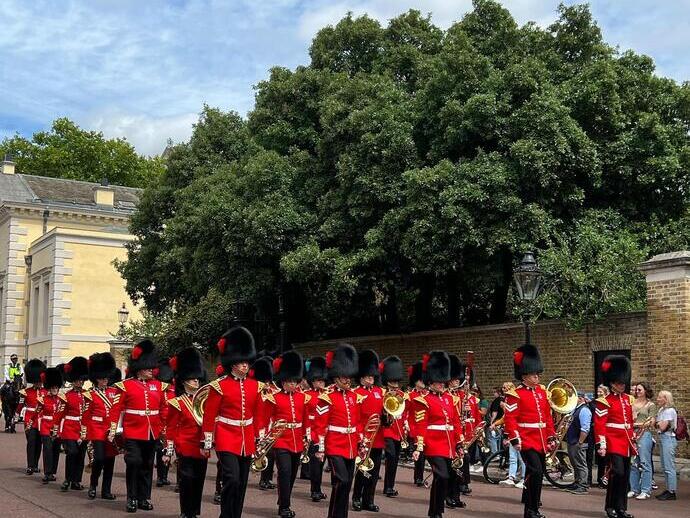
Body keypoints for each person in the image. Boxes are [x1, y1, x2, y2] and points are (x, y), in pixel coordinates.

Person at [201, 326, 263, 518]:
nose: (245, 366)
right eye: (241, 362)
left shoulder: (256, 386)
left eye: (247, 362)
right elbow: (209, 415)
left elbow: (258, 415)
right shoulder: (219, 386)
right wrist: (207, 441)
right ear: (232, 363)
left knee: (242, 482)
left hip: (247, 440)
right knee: (232, 479)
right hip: (226, 436)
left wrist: (259, 436)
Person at [108, 338, 169, 513]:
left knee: (147, 465)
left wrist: (163, 430)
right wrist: (113, 429)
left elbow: (163, 409)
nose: (152, 370)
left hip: (152, 432)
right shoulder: (126, 386)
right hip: (133, 431)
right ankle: (131, 497)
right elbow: (116, 409)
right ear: (140, 368)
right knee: (134, 462)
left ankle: (144, 497)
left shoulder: (158, 386)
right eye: (149, 368)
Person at [503, 343, 558, 518]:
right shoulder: (515, 394)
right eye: (534, 375)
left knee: (537, 473)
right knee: (535, 471)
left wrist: (551, 436)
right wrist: (514, 438)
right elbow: (511, 419)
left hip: (541, 439)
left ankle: (532, 504)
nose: (537, 377)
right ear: (524, 375)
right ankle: (530, 510)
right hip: (526, 439)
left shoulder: (542, 392)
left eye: (538, 374)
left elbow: (547, 417)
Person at [313, 343, 364, 518]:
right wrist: (320, 447)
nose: (348, 380)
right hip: (334, 445)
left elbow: (358, 423)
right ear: (336, 377)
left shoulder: (355, 397)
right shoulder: (326, 397)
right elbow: (320, 425)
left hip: (350, 445)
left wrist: (361, 442)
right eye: (344, 377)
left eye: (349, 377)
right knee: (341, 480)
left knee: (347, 483)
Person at [259, 350, 310, 518]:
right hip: (281, 441)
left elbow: (305, 420)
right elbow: (265, 420)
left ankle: (284, 500)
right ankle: (284, 506)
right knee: (285, 472)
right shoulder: (274, 398)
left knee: (293, 474)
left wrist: (307, 436)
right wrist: (263, 440)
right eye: (290, 381)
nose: (293, 385)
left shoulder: (303, 398)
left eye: (295, 381)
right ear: (282, 381)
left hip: (297, 440)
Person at [412, 351, 464, 518]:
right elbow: (421, 425)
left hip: (449, 445)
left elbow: (455, 423)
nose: (441, 383)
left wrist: (459, 443)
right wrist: (419, 446)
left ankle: (436, 510)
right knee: (441, 475)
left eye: (443, 380)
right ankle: (435, 512)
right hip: (433, 444)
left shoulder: (451, 399)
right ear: (430, 381)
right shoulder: (423, 400)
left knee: (445, 478)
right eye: (438, 380)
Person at [165, 347, 208, 518]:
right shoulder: (177, 402)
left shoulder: (204, 400)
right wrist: (168, 451)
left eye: (197, 379)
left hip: (201, 446)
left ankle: (194, 511)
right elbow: (171, 427)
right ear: (183, 381)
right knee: (187, 480)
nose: (196, 381)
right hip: (184, 446)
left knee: (199, 481)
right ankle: (185, 511)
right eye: (192, 379)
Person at [593, 355, 635, 518]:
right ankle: (610, 506)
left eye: (623, 382)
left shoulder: (628, 400)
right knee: (616, 472)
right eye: (619, 382)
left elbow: (629, 422)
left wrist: (633, 439)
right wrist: (601, 444)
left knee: (624, 475)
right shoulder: (605, 401)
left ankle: (621, 508)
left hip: (626, 442)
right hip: (612, 441)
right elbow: (599, 424)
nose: (622, 385)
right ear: (612, 383)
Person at [82, 352, 119, 500]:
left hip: (110, 430)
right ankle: (93, 485)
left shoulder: (114, 392)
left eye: (106, 378)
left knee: (110, 461)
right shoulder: (90, 395)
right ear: (96, 379)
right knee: (99, 459)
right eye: (102, 378)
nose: (105, 381)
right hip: (97, 429)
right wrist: (84, 432)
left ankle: (106, 490)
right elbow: (86, 415)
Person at [352, 350, 384, 512]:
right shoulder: (356, 393)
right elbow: (355, 418)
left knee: (375, 470)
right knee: (362, 470)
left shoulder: (380, 392)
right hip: (364, 437)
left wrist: (387, 418)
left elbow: (384, 413)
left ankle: (368, 500)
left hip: (377, 437)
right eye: (367, 376)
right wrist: (360, 438)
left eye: (372, 376)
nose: (371, 378)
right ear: (361, 376)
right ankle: (357, 497)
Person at [380, 355, 407, 499]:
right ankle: (387, 486)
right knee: (390, 456)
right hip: (386, 431)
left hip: (398, 431)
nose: (395, 384)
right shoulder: (382, 394)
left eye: (396, 381)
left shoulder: (402, 395)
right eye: (392, 381)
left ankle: (389, 486)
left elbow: (405, 412)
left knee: (395, 459)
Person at [252, 355, 278, 492]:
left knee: (270, 454)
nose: (267, 384)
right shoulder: (255, 392)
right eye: (265, 381)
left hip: (268, 426)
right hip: (256, 426)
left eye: (269, 381)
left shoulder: (271, 393)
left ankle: (266, 479)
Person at [445, 354, 468, 508]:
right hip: (448, 436)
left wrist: (466, 410)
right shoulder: (445, 395)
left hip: (460, 435)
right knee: (450, 468)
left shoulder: (462, 395)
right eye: (454, 380)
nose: (457, 382)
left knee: (460, 466)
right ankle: (448, 495)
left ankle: (456, 495)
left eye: (458, 379)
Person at [305, 356, 328, 502]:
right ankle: (315, 490)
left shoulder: (328, 395)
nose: (320, 383)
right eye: (318, 380)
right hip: (313, 431)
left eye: (322, 380)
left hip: (326, 432)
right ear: (312, 381)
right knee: (315, 462)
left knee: (322, 463)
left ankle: (318, 488)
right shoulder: (307, 395)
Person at [16, 359, 46, 473]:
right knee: (31, 442)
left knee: (39, 443)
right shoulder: (26, 392)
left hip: (41, 420)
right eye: (37, 381)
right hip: (30, 420)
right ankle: (30, 465)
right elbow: (20, 405)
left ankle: (35, 465)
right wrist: (16, 416)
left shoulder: (45, 391)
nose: (39, 383)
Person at [628, 382, 656, 500]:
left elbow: (651, 422)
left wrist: (635, 423)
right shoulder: (631, 403)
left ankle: (645, 489)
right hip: (632, 434)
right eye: (636, 390)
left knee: (645, 463)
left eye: (640, 390)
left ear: (646, 391)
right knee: (633, 463)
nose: (637, 392)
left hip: (644, 435)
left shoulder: (650, 405)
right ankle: (634, 489)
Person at [38, 367, 63, 484]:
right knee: (47, 449)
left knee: (55, 450)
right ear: (49, 388)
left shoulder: (61, 400)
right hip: (46, 427)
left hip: (57, 428)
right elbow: (37, 414)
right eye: (53, 387)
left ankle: (53, 472)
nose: (54, 389)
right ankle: (47, 473)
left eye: (56, 387)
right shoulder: (42, 400)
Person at [497, 382, 524, 489]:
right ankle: (511, 477)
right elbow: (507, 418)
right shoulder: (508, 399)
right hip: (512, 432)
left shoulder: (513, 399)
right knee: (513, 457)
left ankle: (523, 478)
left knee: (522, 459)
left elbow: (512, 417)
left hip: (520, 431)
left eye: (505, 387)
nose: (503, 389)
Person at [565, 391, 592, 495]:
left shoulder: (584, 410)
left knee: (581, 464)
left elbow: (585, 428)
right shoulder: (575, 410)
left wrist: (580, 442)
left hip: (579, 442)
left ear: (580, 398)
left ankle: (583, 485)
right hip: (573, 441)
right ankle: (577, 482)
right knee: (575, 463)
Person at [406, 360, 427, 487]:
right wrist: (407, 425)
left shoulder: (428, 395)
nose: (422, 382)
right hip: (414, 426)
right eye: (420, 380)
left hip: (426, 426)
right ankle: (418, 477)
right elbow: (406, 412)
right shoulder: (410, 395)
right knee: (420, 453)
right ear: (415, 381)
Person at [154, 360, 175, 488]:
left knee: (169, 450)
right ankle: (160, 477)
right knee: (160, 450)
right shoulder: (158, 389)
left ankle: (164, 476)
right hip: (159, 424)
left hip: (171, 424)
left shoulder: (173, 390)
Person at [655, 390, 678, 501]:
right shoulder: (661, 410)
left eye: (660, 397)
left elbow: (662, 426)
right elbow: (658, 425)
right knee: (665, 466)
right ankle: (668, 489)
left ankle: (672, 491)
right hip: (663, 438)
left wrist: (656, 423)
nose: (657, 399)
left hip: (669, 438)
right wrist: (657, 424)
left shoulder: (670, 411)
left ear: (666, 399)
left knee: (669, 466)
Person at [487, 386, 504, 454]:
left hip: (497, 421)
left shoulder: (497, 401)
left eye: (494, 392)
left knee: (493, 437)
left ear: (499, 393)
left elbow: (495, 412)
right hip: (502, 421)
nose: (493, 394)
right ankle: (499, 453)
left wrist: (491, 422)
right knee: (499, 438)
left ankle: (495, 453)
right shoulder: (504, 399)